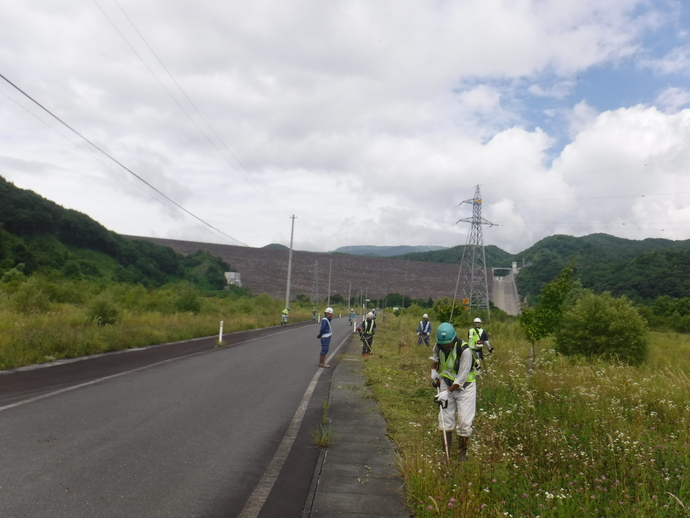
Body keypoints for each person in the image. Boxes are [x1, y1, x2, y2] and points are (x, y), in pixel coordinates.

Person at [430, 322, 479, 461]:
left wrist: (447, 392)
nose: (445, 346)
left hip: (465, 387)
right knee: (445, 419)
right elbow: (435, 357)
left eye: (448, 344)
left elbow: (461, 378)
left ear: (453, 339)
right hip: (447, 382)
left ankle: (462, 456)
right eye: (443, 344)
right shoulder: (439, 345)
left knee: (464, 421)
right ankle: (446, 455)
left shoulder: (465, 351)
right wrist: (433, 370)